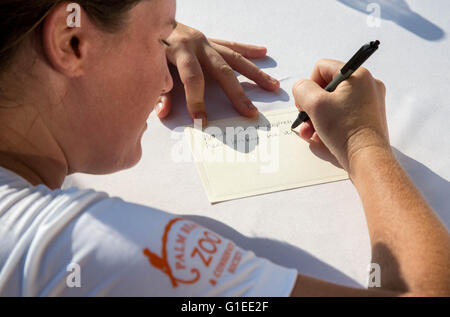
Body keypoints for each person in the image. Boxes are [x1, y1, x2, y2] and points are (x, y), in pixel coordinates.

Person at [0, 0, 448, 297]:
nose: (164, 77)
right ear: (70, 42)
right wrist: (362, 140)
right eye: (160, 40)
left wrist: (129, 37)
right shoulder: (89, 250)